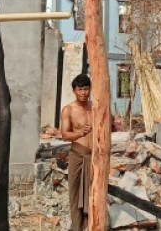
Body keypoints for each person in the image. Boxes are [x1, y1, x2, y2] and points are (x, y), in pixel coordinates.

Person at [60, 74, 94, 231]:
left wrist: (115, 124)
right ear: (74, 91)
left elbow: (108, 127)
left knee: (93, 194)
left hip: (93, 158)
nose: (83, 93)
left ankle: (92, 226)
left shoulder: (95, 107)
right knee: (74, 195)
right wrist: (80, 133)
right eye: (80, 89)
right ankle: (77, 227)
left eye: (86, 89)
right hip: (77, 156)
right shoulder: (68, 110)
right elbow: (65, 134)